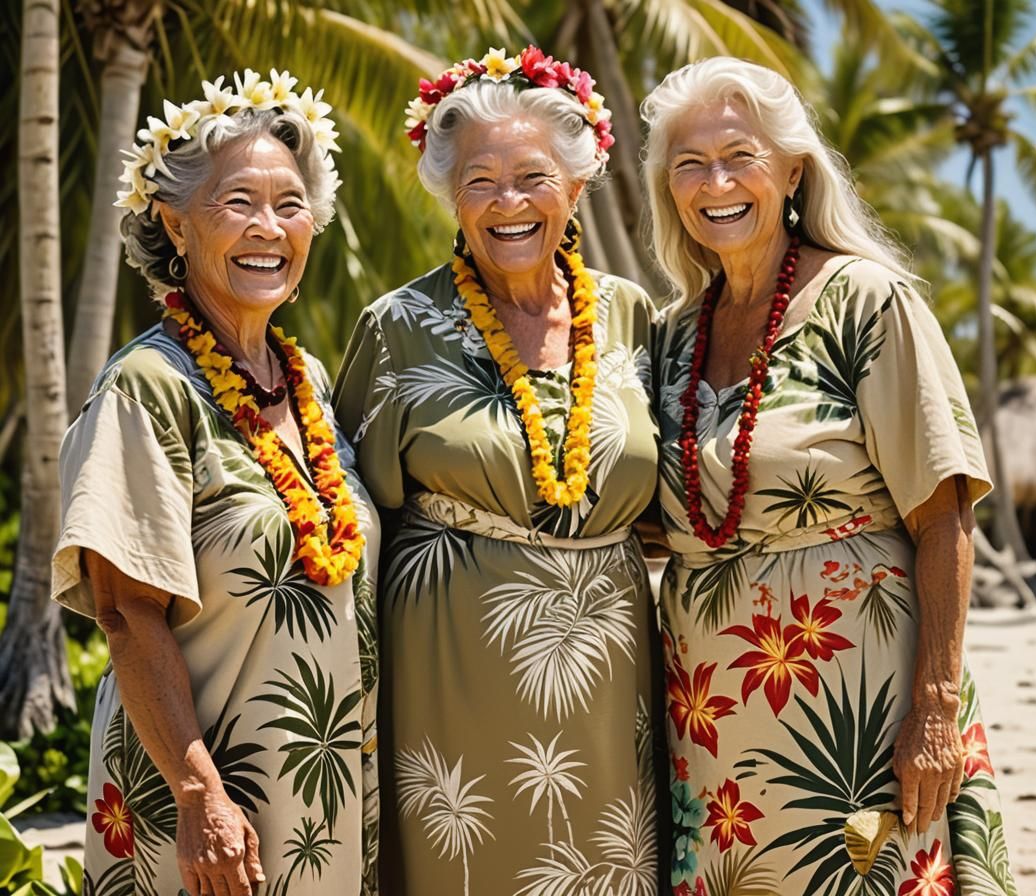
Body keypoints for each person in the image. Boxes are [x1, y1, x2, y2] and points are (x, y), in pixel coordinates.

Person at [642, 57, 1016, 895]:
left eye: (740, 155)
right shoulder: (669, 337)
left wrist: (934, 707)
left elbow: (944, 511)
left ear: (793, 169)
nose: (717, 182)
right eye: (690, 163)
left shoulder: (866, 300)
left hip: (859, 706)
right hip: (712, 719)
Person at [334, 46, 660, 896]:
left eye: (532, 177)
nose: (507, 202)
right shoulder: (397, 324)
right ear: (448, 195)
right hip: (450, 671)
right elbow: (348, 516)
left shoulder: (629, 314)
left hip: (611, 669)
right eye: (479, 180)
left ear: (578, 185)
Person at [51, 70, 380, 896]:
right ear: (174, 222)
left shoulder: (304, 384)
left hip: (322, 799)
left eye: (290, 203)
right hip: (203, 804)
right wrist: (200, 792)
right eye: (237, 202)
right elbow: (127, 613)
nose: (269, 228)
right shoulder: (148, 388)